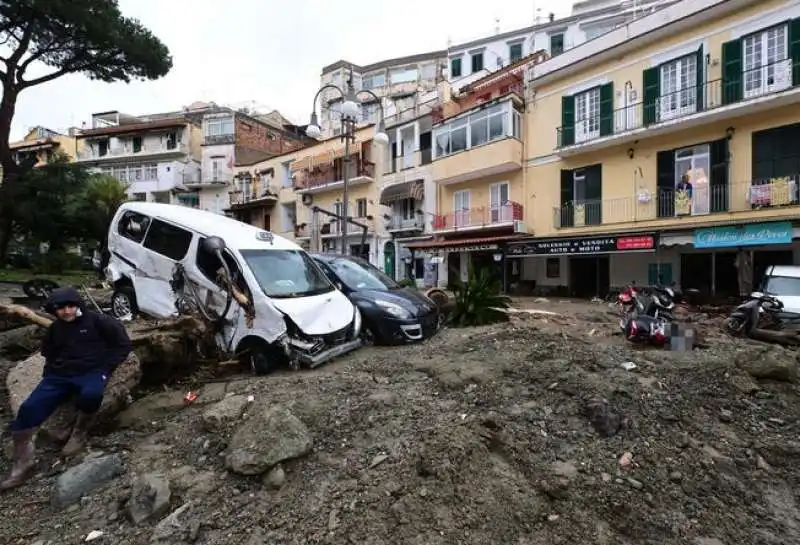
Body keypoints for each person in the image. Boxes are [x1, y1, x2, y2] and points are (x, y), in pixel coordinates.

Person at [0, 287, 132, 491]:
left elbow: (123, 344)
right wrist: (49, 375)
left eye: (71, 306)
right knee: (29, 408)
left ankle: (79, 432)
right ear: (54, 310)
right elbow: (49, 352)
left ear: (78, 305)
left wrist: (106, 367)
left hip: (92, 371)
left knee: (91, 395)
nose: (67, 311)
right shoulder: (55, 329)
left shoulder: (99, 322)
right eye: (61, 308)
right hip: (59, 375)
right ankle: (23, 464)